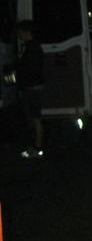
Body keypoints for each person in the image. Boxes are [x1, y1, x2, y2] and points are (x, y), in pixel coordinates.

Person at [15, 20, 45, 159]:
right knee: (33, 118)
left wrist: (23, 82)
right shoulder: (32, 46)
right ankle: (35, 147)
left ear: (27, 32)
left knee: (35, 118)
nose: (19, 34)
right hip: (33, 86)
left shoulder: (32, 48)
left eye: (20, 32)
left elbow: (30, 69)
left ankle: (37, 148)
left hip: (32, 87)